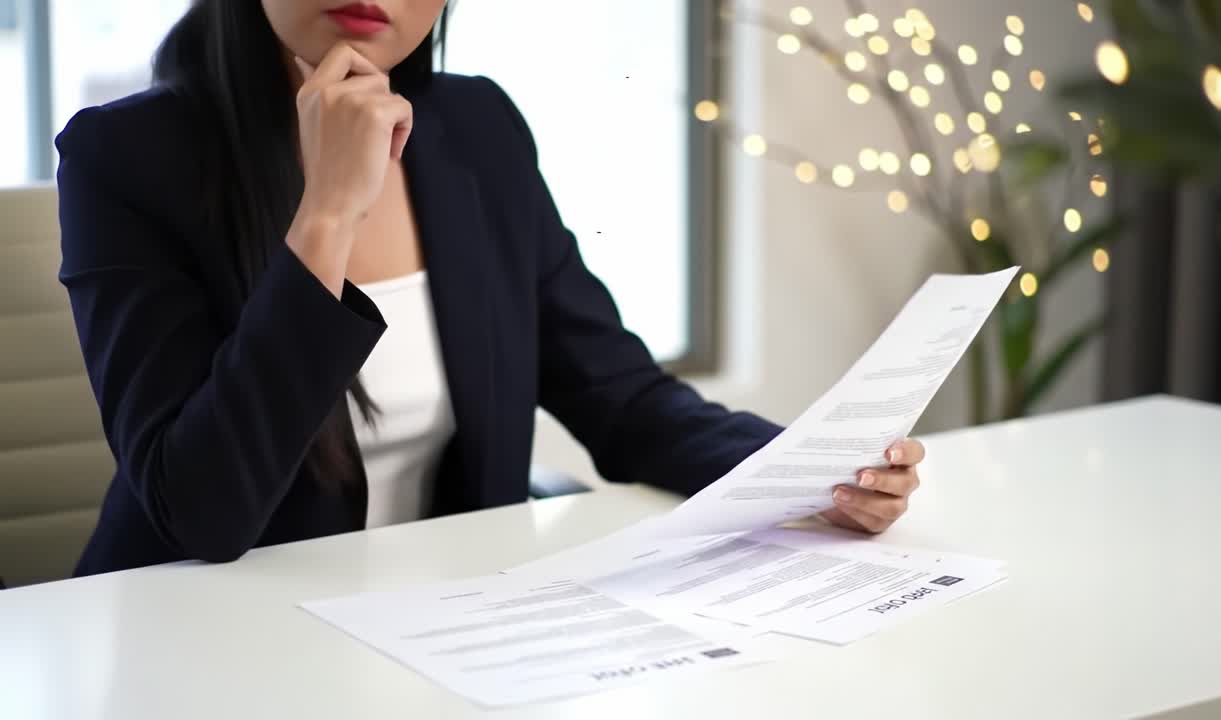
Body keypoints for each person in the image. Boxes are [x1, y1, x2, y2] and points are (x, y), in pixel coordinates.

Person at [55, 0, 926, 577]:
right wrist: (326, 217)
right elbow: (201, 511)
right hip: (198, 640)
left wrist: (810, 471)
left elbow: (620, 399)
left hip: (443, 630)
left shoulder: (476, 128)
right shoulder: (124, 159)